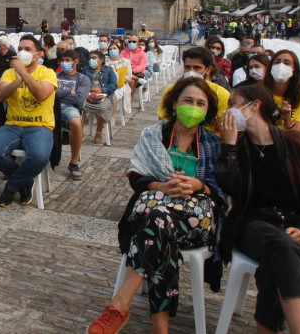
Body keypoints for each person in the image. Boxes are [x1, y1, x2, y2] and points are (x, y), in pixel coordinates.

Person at [87, 77, 225, 334]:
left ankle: (119, 305)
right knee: (161, 228)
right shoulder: (153, 135)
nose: (193, 107)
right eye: (188, 100)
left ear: (208, 110)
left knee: (156, 218)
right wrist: (161, 186)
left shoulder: (214, 145)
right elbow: (137, 178)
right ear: (174, 103)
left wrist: (197, 185)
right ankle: (159, 329)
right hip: (158, 213)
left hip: (195, 218)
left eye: (200, 103)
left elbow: (222, 192)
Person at [217, 84, 300, 334]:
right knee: (282, 245)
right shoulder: (239, 147)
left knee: (278, 257)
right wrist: (230, 147)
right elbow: (229, 187)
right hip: (254, 224)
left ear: (254, 106)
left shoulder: (298, 143)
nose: (229, 110)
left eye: (234, 103)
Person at [0, 35, 58, 207]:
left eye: (27, 49)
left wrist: (24, 74)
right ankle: (25, 182)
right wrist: (17, 81)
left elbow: (41, 95)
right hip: (13, 125)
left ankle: (11, 187)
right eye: (20, 48)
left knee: (39, 156)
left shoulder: (47, 73)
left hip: (39, 126)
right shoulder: (9, 73)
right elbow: (1, 96)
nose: (22, 52)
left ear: (38, 54)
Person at [158, 47, 229, 133]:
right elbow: (162, 124)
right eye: (187, 67)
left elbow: (221, 131)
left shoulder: (221, 94)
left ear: (208, 70)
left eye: (197, 68)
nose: (191, 72)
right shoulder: (171, 91)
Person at [57, 49, 90, 180]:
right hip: (50, 106)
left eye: (68, 60)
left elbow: (79, 99)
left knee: (76, 122)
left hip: (69, 108)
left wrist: (59, 92)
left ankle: (74, 162)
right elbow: (49, 95)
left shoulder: (83, 79)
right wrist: (69, 92)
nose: (64, 63)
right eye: (63, 60)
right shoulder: (55, 75)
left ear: (75, 62)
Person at [265, 50, 300, 132]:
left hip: (286, 140)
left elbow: (298, 134)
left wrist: (287, 119)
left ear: (294, 69)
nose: (281, 66)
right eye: (277, 62)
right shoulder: (259, 92)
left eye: (287, 63)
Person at [82, 50, 118, 144]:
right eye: (90, 58)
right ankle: (80, 132)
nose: (91, 60)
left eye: (94, 58)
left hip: (104, 96)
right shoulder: (86, 70)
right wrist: (90, 89)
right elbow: (81, 83)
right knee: (79, 107)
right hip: (88, 94)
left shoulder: (108, 70)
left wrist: (102, 90)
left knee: (101, 107)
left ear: (101, 60)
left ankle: (99, 131)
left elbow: (114, 85)